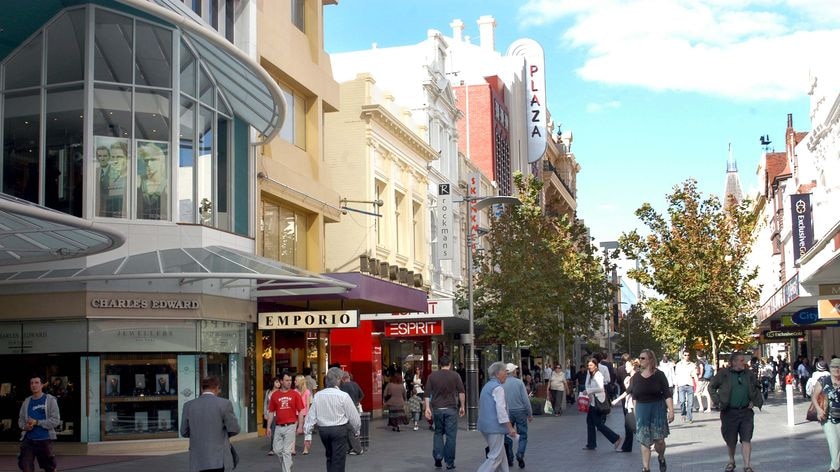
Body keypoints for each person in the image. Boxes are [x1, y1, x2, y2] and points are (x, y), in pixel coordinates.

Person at [709, 352, 763, 472]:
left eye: (743, 360)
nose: (743, 363)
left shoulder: (748, 374)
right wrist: (718, 401)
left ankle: (747, 465)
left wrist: (754, 401)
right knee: (730, 439)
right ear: (733, 362)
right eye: (741, 361)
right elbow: (711, 387)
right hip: (729, 412)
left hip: (746, 412)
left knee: (746, 438)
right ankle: (731, 461)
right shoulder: (724, 374)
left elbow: (757, 387)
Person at [303, 367, 361, 472]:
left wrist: (308, 435)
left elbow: (310, 417)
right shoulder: (343, 396)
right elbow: (354, 417)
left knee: (330, 456)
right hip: (339, 430)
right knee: (338, 459)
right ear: (338, 380)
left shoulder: (318, 395)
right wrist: (356, 430)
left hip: (324, 431)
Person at [180, 376, 240, 472]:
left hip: (197, 459)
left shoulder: (188, 405)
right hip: (218, 458)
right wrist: (222, 434)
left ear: (201, 388)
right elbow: (234, 429)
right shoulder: (224, 404)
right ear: (217, 388)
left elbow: (184, 432)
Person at [628, 349, 674, 472]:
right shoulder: (636, 377)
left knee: (659, 440)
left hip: (657, 409)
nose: (640, 360)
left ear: (650, 360)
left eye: (643, 358)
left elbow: (667, 394)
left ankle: (661, 456)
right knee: (644, 441)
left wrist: (671, 410)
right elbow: (634, 397)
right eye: (640, 357)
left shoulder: (659, 375)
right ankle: (646, 468)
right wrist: (636, 414)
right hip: (642, 410)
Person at [424, 355, 466, 470]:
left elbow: (427, 394)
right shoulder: (455, 375)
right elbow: (461, 392)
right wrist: (462, 406)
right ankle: (449, 462)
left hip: (437, 409)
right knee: (451, 436)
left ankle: (438, 456)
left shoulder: (432, 376)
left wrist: (427, 408)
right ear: (450, 364)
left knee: (438, 432)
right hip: (451, 409)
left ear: (439, 365)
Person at [477, 362, 518, 472]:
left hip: (485, 426)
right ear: (498, 373)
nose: (506, 374)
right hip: (495, 427)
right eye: (505, 371)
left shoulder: (487, 386)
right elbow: (501, 411)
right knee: (495, 457)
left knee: (501, 455)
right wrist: (510, 427)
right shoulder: (498, 388)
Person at [17, 374, 60, 472]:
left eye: (36, 382)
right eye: (31, 383)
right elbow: (20, 420)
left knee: (50, 468)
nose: (33, 385)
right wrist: (25, 427)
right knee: (26, 467)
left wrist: (37, 422)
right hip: (28, 440)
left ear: (42, 385)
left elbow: (55, 421)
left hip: (44, 439)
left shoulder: (50, 400)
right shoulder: (26, 402)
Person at [267, 372, 305, 471]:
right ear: (281, 381)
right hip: (278, 426)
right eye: (287, 380)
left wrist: (300, 426)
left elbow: (301, 411)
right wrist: (268, 427)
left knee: (286, 451)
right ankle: (288, 463)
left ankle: (286, 469)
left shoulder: (295, 394)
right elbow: (271, 412)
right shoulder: (275, 395)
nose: (289, 382)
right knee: (276, 450)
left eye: (290, 380)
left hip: (291, 426)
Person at [582, 357, 622, 451]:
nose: (589, 367)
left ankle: (616, 438)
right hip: (593, 402)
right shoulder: (592, 374)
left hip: (598, 401)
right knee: (590, 422)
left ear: (596, 365)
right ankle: (591, 444)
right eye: (588, 365)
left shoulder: (598, 375)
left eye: (591, 365)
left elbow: (601, 388)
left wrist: (588, 391)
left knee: (598, 424)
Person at [812, 357, 840, 472]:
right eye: (834, 367)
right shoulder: (823, 380)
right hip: (828, 417)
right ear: (830, 368)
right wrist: (818, 409)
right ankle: (834, 467)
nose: (836, 369)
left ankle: (834, 467)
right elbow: (814, 397)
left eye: (839, 367)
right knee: (834, 443)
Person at [502, 363, 532, 469]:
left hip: (507, 412)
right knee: (522, 435)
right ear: (514, 372)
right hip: (520, 412)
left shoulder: (502, 383)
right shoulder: (519, 383)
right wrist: (529, 413)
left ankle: (509, 458)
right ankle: (520, 453)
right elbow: (525, 400)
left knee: (507, 435)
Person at [338, 371, 364, 454]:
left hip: (348, 409)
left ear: (342, 379)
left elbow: (342, 398)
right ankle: (350, 447)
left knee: (350, 429)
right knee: (353, 427)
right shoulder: (355, 384)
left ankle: (357, 448)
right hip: (355, 408)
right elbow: (362, 394)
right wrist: (357, 402)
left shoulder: (344, 386)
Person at [674, 351, 698, 423]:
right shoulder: (678, 365)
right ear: (683, 356)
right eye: (685, 355)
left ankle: (689, 418)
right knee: (682, 401)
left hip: (690, 384)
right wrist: (676, 384)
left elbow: (695, 375)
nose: (687, 356)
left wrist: (697, 384)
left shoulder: (692, 365)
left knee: (690, 403)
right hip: (681, 385)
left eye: (688, 355)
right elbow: (676, 375)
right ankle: (683, 413)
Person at [263, 376, 282, 456]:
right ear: (273, 383)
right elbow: (265, 403)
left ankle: (275, 448)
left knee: (279, 431)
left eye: (279, 382)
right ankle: (272, 448)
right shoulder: (268, 392)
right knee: (272, 431)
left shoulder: (281, 392)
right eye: (276, 382)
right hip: (270, 413)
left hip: (278, 414)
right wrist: (265, 413)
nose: (278, 384)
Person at [294, 374, 313, 454]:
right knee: (293, 431)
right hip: (295, 414)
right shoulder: (294, 391)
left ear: (300, 382)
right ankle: (292, 448)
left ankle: (306, 448)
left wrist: (308, 416)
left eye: (296, 380)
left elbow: (308, 405)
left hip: (305, 413)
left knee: (307, 431)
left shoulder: (307, 392)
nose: (294, 382)